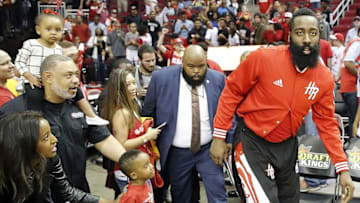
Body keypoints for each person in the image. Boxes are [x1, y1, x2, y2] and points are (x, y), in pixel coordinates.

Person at [210, 8, 354, 203]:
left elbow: (327, 124)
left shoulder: (324, 78)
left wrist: (342, 168)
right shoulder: (263, 58)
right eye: (300, 32)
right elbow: (231, 92)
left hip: (287, 145)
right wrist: (219, 136)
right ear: (290, 35)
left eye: (313, 33)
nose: (306, 39)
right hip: (252, 141)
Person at [0, 54, 126, 202]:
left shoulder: (81, 106)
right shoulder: (16, 112)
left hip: (78, 192)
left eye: (76, 75)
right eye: (68, 75)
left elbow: (102, 138)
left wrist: (130, 162)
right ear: (48, 77)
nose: (75, 80)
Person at [142, 45, 228, 203]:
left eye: (201, 66)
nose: (196, 71)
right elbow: (148, 113)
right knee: (181, 195)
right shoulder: (161, 78)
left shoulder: (217, 79)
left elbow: (228, 112)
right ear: (182, 63)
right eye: (191, 66)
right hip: (177, 152)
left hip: (209, 149)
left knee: (218, 193)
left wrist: (225, 141)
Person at [0, 111, 120, 203]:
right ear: (25, 145)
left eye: (51, 133)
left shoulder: (50, 159)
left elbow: (67, 193)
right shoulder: (5, 177)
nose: (55, 140)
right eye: (46, 137)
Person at [15, 13, 107, 125]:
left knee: (77, 91)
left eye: (58, 30)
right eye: (48, 29)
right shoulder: (31, 44)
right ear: (38, 30)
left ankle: (90, 115)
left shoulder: (58, 49)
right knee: (35, 96)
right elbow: (19, 62)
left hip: (53, 82)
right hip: (34, 82)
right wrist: (29, 76)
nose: (53, 32)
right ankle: (37, 124)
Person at [100, 68, 161, 196]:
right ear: (118, 88)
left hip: (139, 167)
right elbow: (121, 145)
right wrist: (146, 137)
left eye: (133, 83)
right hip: (130, 171)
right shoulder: (121, 113)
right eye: (128, 85)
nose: (133, 87)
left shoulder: (131, 106)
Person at [342, 29, 360, 138]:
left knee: (353, 119)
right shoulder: (358, 43)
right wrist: (359, 76)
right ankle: (353, 149)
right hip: (352, 86)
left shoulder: (353, 43)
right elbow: (348, 62)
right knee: (355, 121)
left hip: (348, 86)